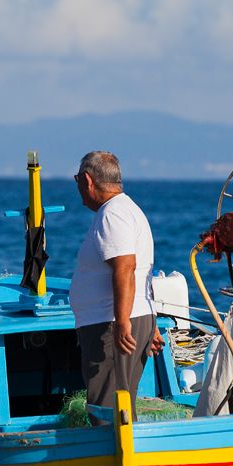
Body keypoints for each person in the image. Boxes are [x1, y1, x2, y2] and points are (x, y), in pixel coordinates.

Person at [70, 151, 165, 410]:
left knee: (107, 406)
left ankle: (109, 451)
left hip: (111, 323)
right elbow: (141, 270)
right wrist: (149, 320)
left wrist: (123, 321)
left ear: (88, 180)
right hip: (129, 316)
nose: (77, 186)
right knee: (121, 402)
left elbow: (125, 267)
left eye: (77, 179)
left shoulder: (113, 214)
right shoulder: (127, 209)